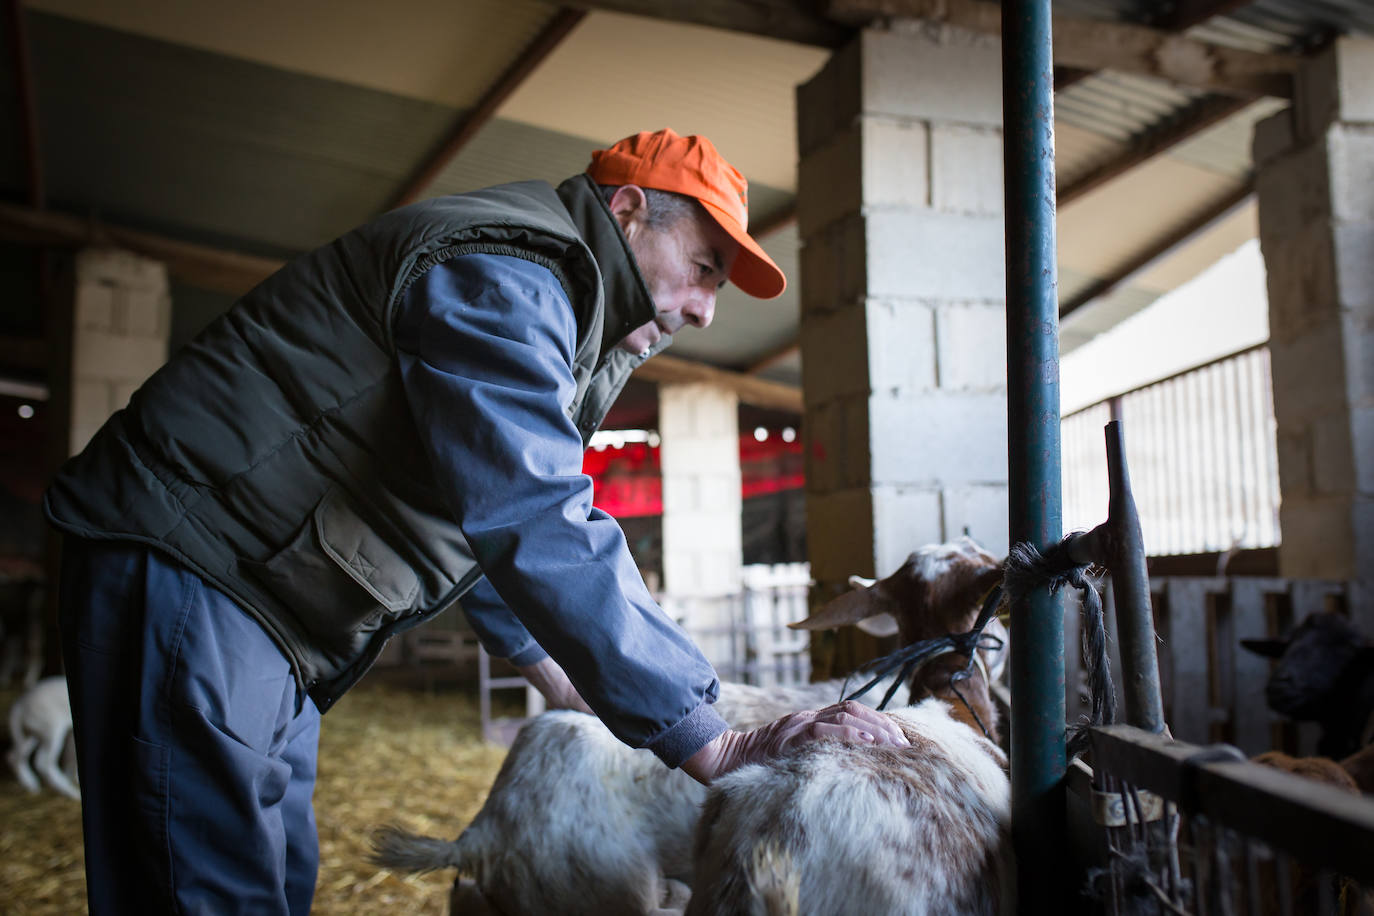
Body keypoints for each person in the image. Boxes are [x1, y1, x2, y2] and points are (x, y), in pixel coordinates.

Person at [44, 128, 907, 914]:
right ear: (631, 210)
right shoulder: (512, 272)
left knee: (269, 871)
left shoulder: (566, 317)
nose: (705, 309)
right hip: (196, 562)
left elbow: (474, 502)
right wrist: (712, 738)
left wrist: (555, 671)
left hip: (265, 609)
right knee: (202, 886)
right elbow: (532, 508)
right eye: (705, 264)